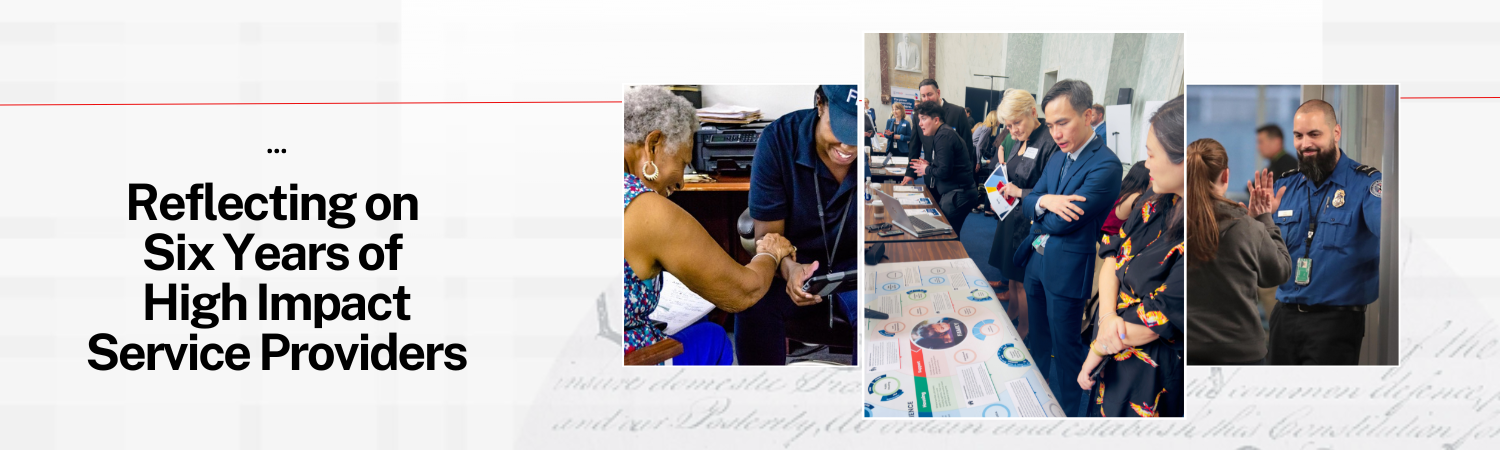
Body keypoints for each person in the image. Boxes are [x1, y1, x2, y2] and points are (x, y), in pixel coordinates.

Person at [622, 85, 796, 365]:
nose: (680, 182)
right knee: (713, 336)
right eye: (683, 162)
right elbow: (742, 292)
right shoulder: (648, 211)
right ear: (653, 145)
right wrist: (771, 252)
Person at [1012, 79, 1121, 416]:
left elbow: (1061, 222)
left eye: (1063, 122)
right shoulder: (1059, 157)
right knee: (1037, 342)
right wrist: (1046, 200)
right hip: (1037, 263)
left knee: (1067, 349)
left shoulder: (1106, 164)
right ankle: (1036, 404)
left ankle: (1072, 416)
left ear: (1088, 115)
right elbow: (1029, 200)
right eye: (1050, 125)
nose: (1056, 133)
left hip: (1068, 270)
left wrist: (1038, 208)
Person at [739, 85, 862, 365]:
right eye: (841, 127)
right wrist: (789, 268)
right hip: (796, 263)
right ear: (820, 103)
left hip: (858, 269)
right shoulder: (778, 140)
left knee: (885, 315)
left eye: (858, 133)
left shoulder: (871, 150)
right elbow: (769, 238)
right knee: (750, 298)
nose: (848, 146)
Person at [1079, 94, 1186, 418]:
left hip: (1148, 373)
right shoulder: (1153, 200)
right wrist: (1108, 320)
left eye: (1152, 154)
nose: (1146, 163)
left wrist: (1098, 347)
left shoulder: (1206, 232)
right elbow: (1113, 255)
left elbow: (1156, 319)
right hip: (1111, 344)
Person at [1257, 99, 1382, 365]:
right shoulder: (1284, 187)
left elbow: (1394, 238)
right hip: (1284, 318)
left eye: (1314, 134)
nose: (1305, 144)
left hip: (1335, 323)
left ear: (1336, 133)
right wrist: (1261, 219)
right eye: (1298, 136)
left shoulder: (1366, 184)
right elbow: (1261, 258)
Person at [1185, 139, 1292, 366]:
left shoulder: (1173, 220)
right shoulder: (1245, 225)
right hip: (1240, 353)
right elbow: (1278, 272)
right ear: (1226, 176)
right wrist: (1264, 220)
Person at [987, 89, 1060, 339]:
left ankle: (1025, 328)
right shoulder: (1020, 139)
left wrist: (1019, 191)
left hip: (1032, 222)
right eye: (1008, 126)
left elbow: (1052, 192)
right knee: (1014, 276)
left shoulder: (1050, 142)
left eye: (1016, 123)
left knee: (1026, 280)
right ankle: (1015, 312)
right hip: (1012, 216)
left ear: (1033, 112)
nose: (1013, 130)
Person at [911, 100, 979, 235]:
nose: (920, 124)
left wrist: (926, 169)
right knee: (948, 234)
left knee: (946, 237)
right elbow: (948, 165)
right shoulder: (943, 133)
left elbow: (944, 171)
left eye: (923, 119)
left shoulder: (943, 136)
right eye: (919, 119)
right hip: (958, 192)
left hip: (958, 194)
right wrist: (930, 165)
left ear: (936, 120)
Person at [903, 79, 974, 186]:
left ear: (938, 93)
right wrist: (910, 172)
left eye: (929, 94)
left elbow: (968, 147)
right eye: (923, 96)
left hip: (953, 180)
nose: (926, 99)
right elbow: (914, 145)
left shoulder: (957, 112)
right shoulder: (919, 116)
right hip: (930, 176)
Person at [1103, 162, 1150, 238]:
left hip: (1100, 237)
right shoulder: (1137, 199)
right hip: (1112, 242)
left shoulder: (1122, 190)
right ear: (1148, 179)